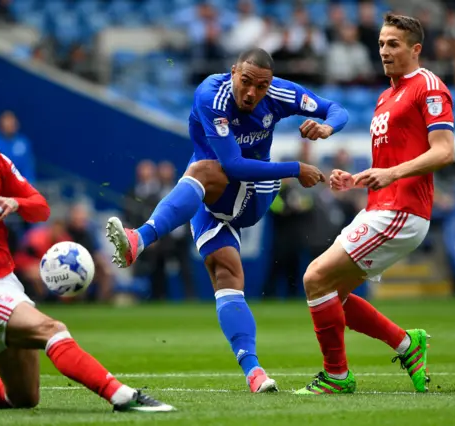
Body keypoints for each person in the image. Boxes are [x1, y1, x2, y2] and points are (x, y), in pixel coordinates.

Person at [0, 76, 173, 413]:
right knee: (52, 329)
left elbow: (40, 206)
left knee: (23, 396)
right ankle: (122, 396)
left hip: (7, 283)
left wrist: (14, 203)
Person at [106, 48, 349, 393]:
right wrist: (294, 169)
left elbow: (336, 109)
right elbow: (231, 165)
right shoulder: (211, 94)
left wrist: (327, 128)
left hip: (255, 189)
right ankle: (254, 371)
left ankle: (140, 238)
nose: (252, 93)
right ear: (233, 71)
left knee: (201, 170)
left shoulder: (278, 91)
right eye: (246, 82)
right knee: (227, 274)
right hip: (211, 193)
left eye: (260, 87)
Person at [295, 13, 455, 395]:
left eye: (393, 44)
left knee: (315, 278)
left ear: (415, 49)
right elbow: (387, 166)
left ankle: (336, 376)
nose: (384, 50)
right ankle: (406, 343)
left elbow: (445, 152)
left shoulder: (428, 87)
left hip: (403, 211)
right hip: (381, 207)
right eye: (381, 43)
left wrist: (394, 174)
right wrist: (353, 180)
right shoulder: (385, 96)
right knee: (334, 294)